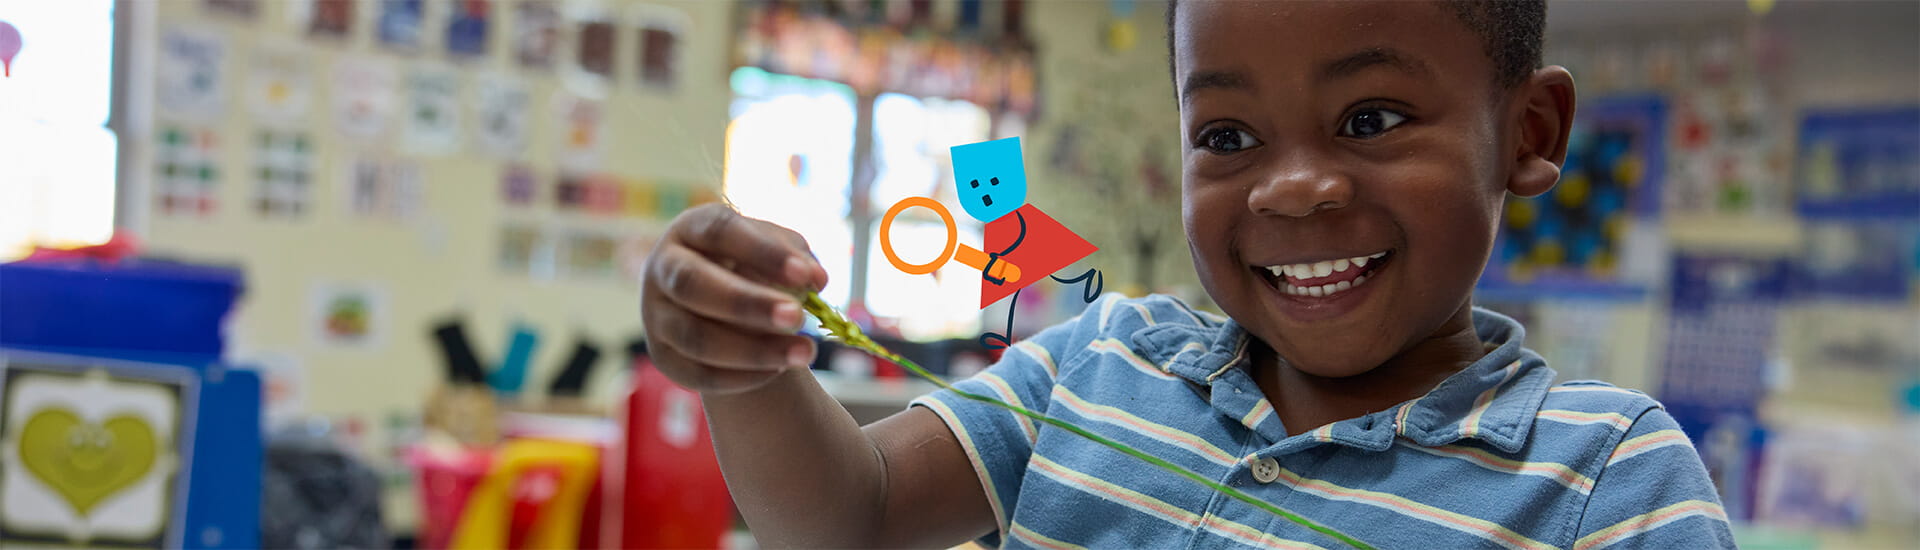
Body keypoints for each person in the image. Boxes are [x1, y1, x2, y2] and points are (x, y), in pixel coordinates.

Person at [637, 1, 1737, 547]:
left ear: (1529, 132)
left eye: (1372, 119)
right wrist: (748, 372)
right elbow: (849, 514)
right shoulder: (1098, 360)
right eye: (1226, 137)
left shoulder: (1609, 481)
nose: (1292, 188)